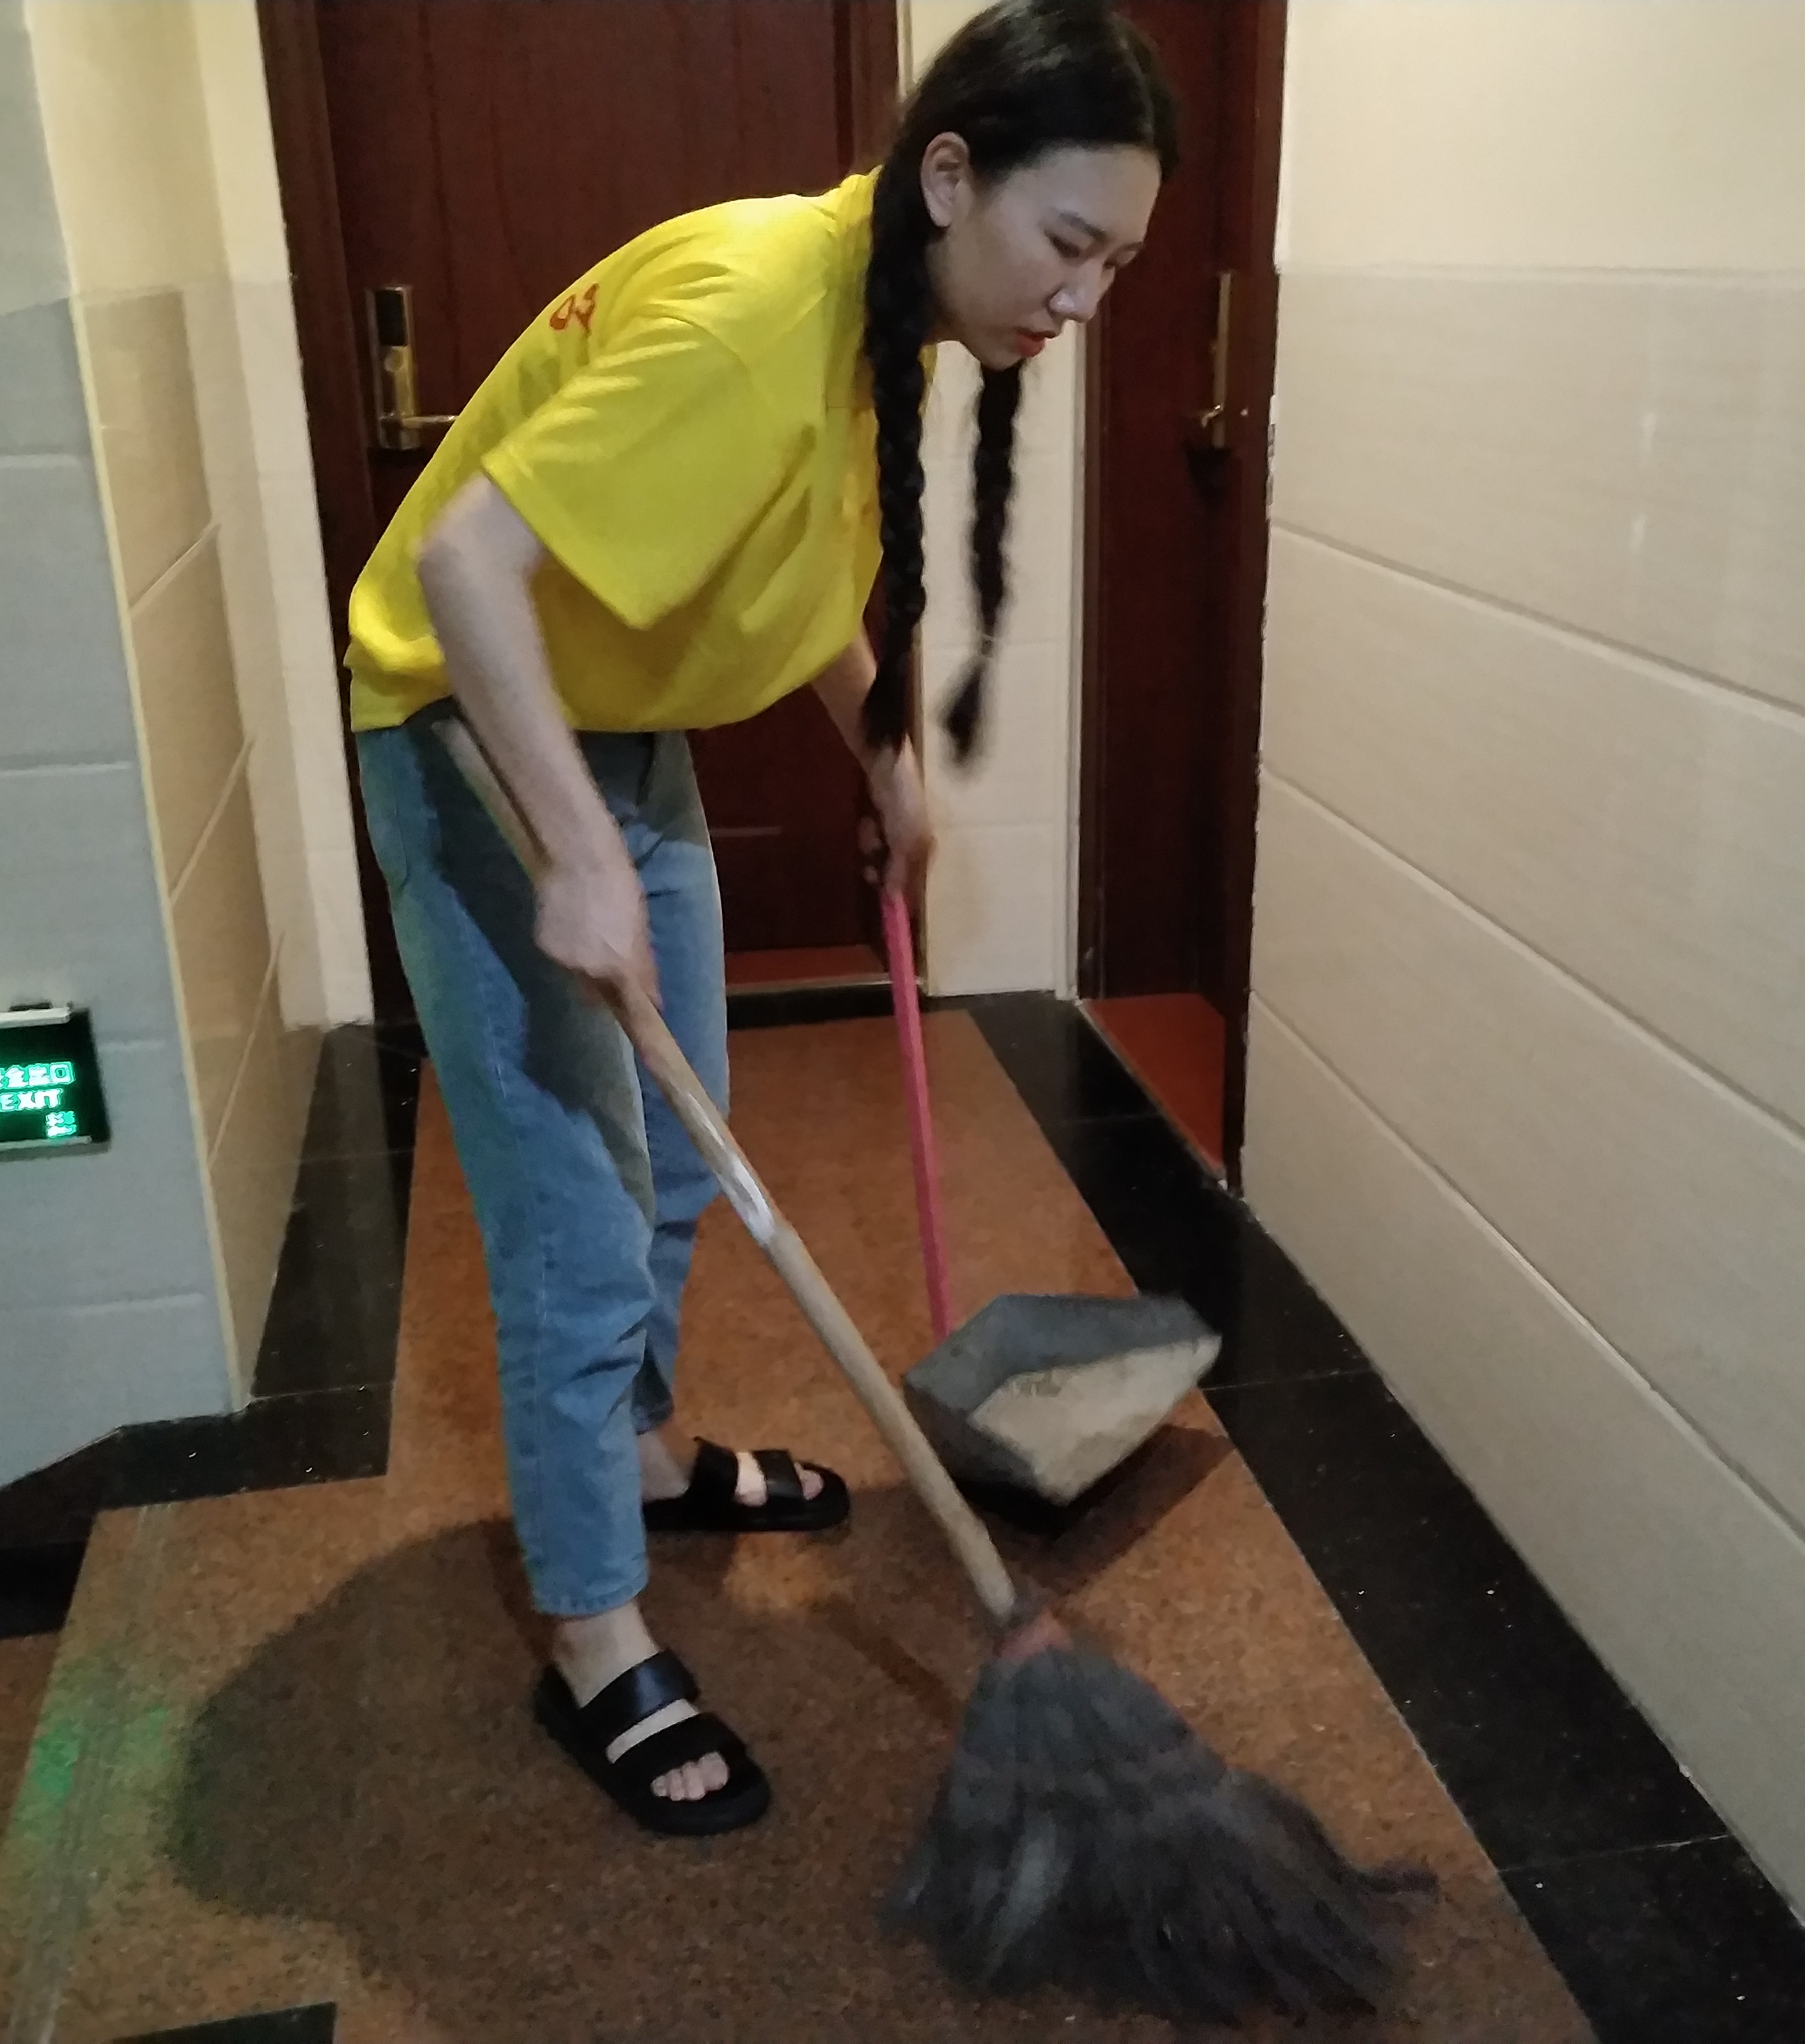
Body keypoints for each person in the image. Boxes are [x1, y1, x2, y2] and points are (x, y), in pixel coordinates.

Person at [343, 0, 1175, 1836]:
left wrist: (882, 745)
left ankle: (639, 1452)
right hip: (472, 725)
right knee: (573, 1214)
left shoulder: (886, 314)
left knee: (682, 1143)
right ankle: (591, 1629)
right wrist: (573, 856)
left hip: (615, 720)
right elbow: (467, 562)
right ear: (949, 175)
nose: (1083, 299)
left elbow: (785, 563)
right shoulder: (750, 317)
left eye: (1116, 262)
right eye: (1067, 244)